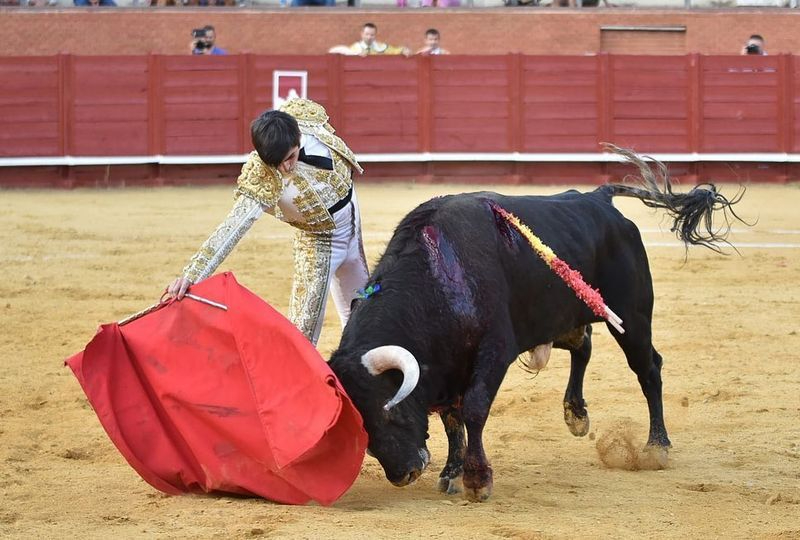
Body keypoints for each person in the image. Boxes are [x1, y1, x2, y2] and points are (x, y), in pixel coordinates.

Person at [167, 98, 369, 346]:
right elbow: (233, 226)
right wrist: (192, 275)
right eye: (278, 163)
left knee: (366, 311)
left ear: (298, 136)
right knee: (302, 335)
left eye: (291, 157)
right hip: (320, 246)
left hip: (353, 230)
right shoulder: (263, 175)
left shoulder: (306, 119)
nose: (286, 167)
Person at [336, 23, 410, 57]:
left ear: (375, 35)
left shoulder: (380, 47)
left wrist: (404, 50)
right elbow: (344, 54)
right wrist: (356, 54)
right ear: (361, 34)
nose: (369, 37)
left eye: (372, 35)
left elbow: (395, 50)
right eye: (367, 34)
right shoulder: (355, 47)